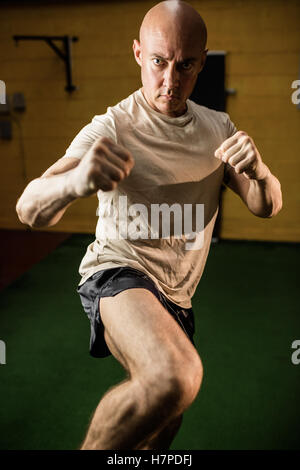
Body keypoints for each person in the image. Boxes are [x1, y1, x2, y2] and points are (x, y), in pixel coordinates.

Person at [15, 0, 282, 450]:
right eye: (159, 62)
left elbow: (267, 206)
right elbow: (29, 208)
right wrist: (78, 179)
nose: (171, 81)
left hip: (177, 294)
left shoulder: (218, 128)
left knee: (163, 424)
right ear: (138, 53)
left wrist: (260, 172)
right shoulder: (112, 126)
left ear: (201, 61)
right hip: (116, 273)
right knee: (175, 375)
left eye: (186, 66)